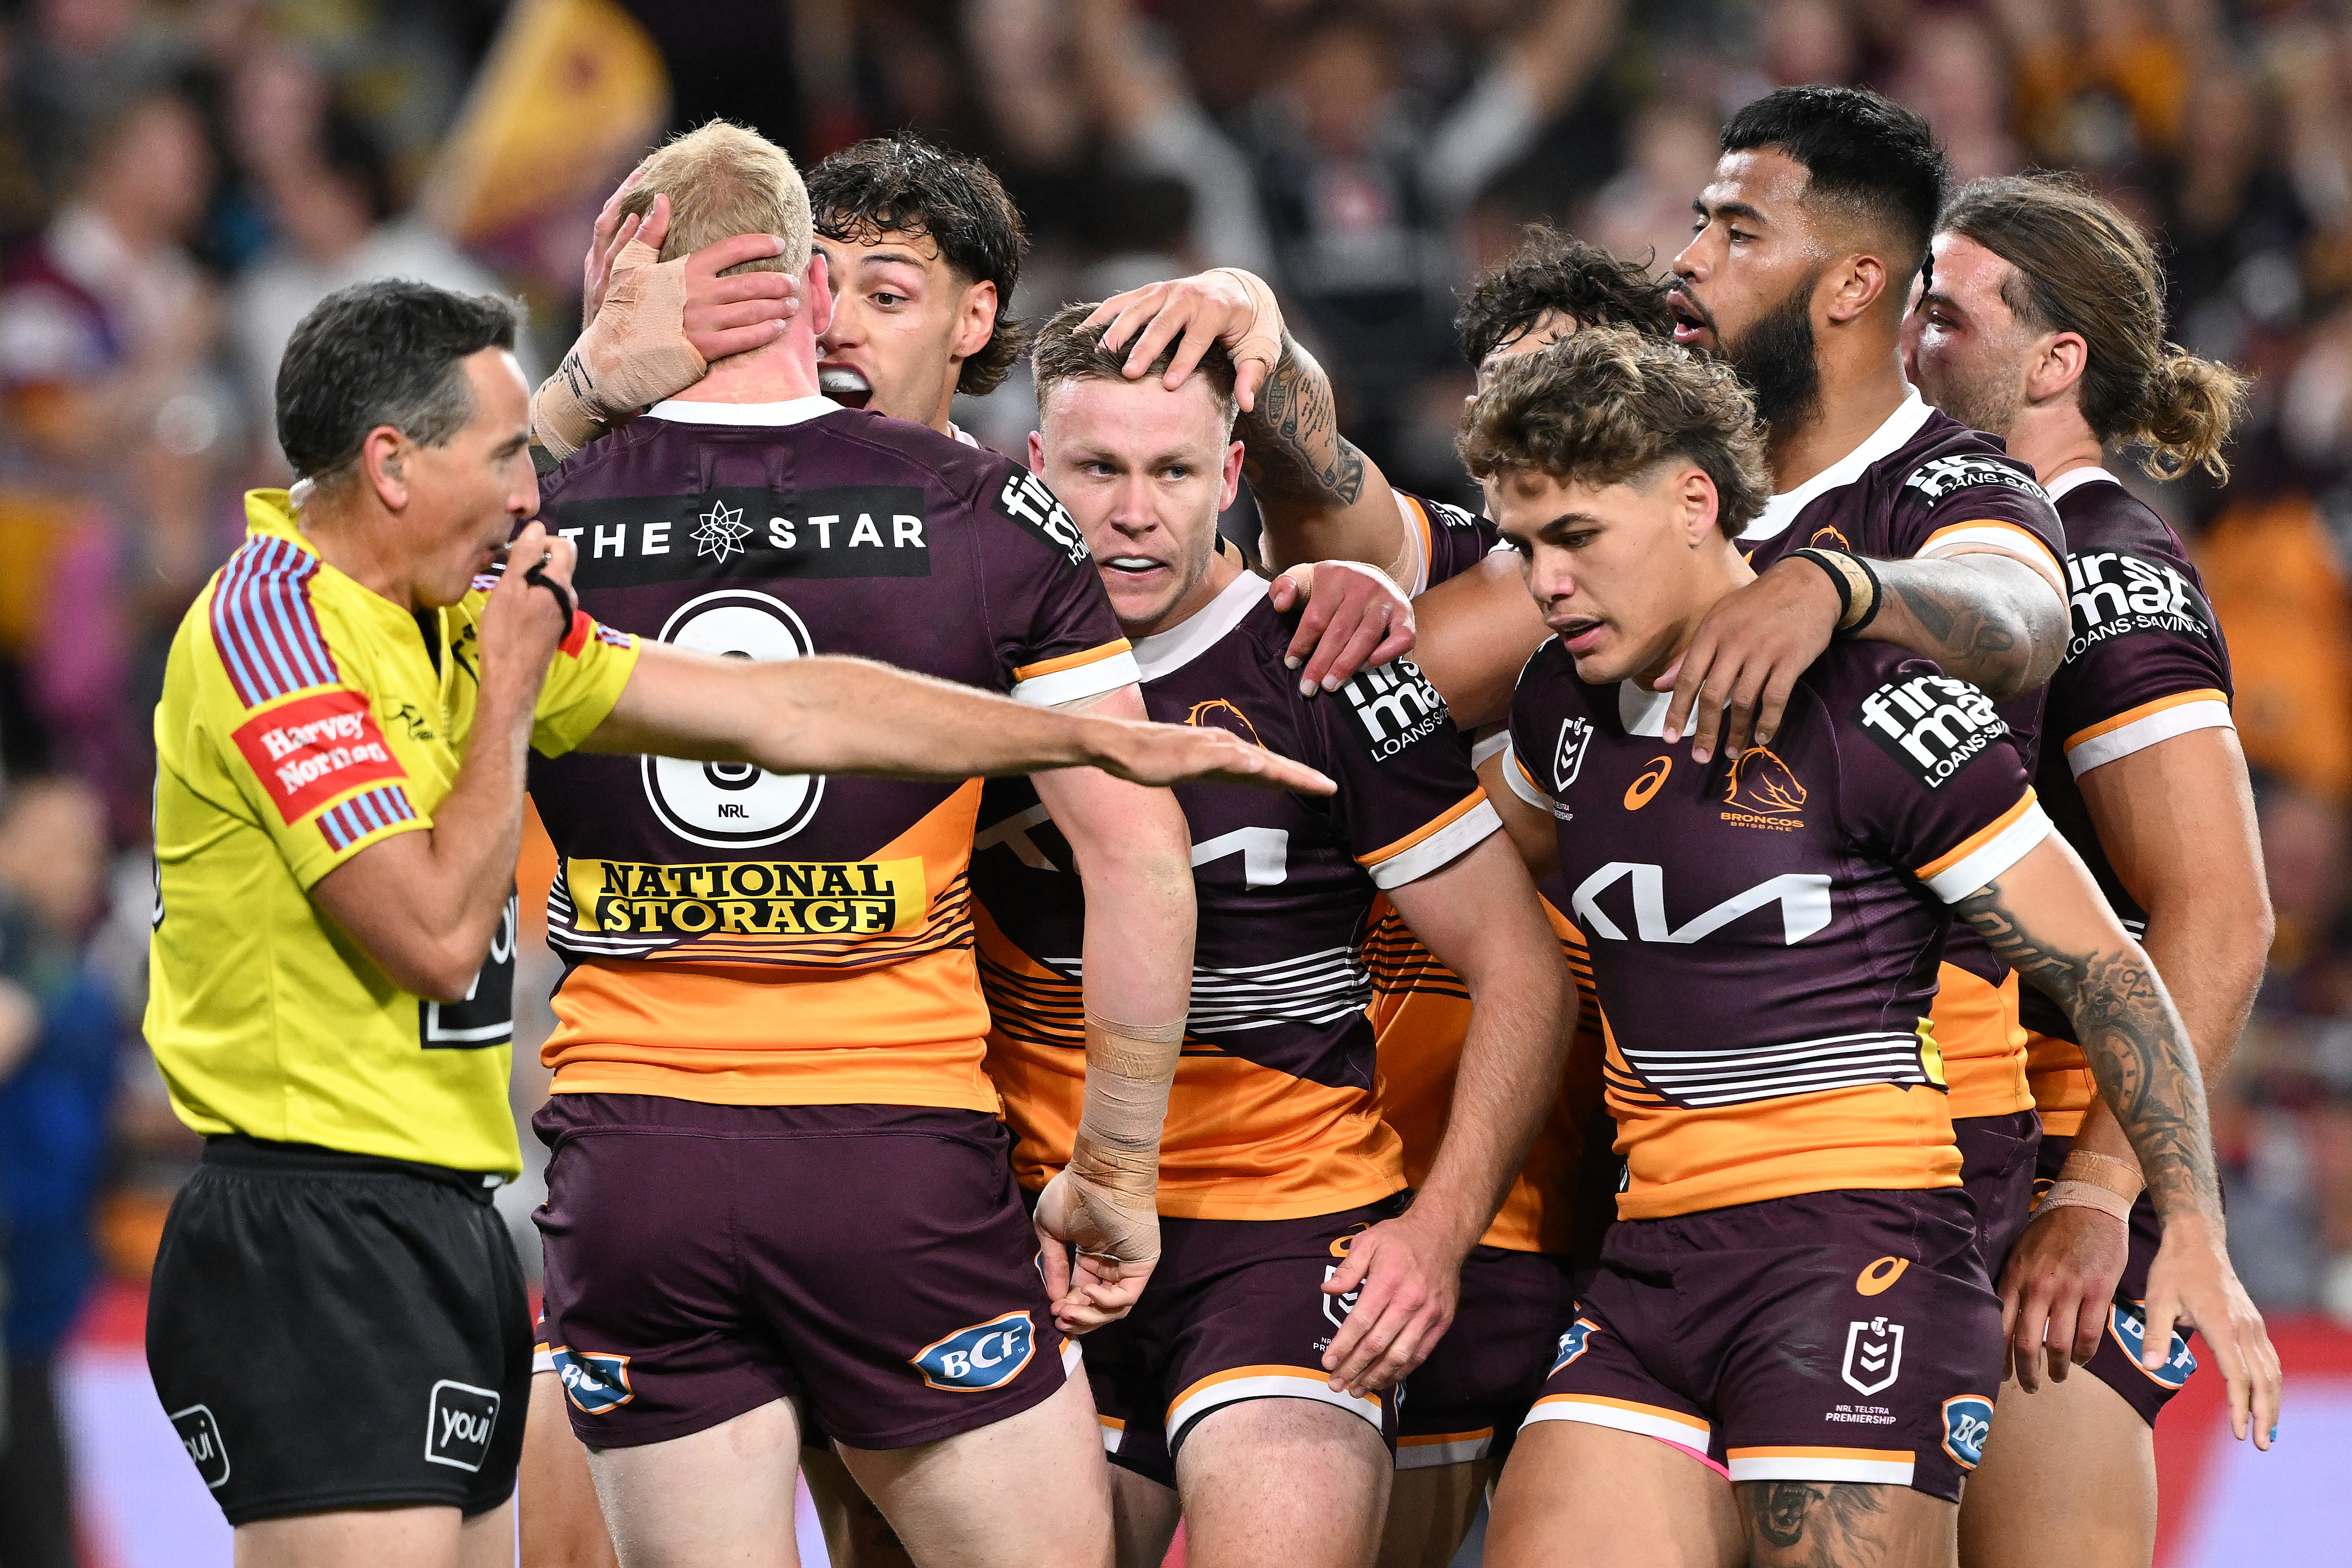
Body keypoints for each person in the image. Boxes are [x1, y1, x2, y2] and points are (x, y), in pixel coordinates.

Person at [141, 273, 1323, 1568]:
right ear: (393, 466)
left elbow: (800, 711)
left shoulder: (448, 622)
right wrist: (519, 679)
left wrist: (1094, 742)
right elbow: (428, 936)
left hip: (447, 1207)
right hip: (313, 1221)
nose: (537, 490)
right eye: (507, 457)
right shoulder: (283, 625)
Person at [518, 122, 1300, 1568]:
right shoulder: (987, 513)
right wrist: (1115, 1171)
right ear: (810, 288)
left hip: (629, 1159)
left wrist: (567, 400)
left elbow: (309, 611)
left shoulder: (530, 519)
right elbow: (1138, 858)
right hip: (890, 1154)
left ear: (624, 281)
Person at [1470, 327, 2278, 1568]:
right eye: (1524, 547)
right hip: (1650, 1269)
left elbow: (2104, 968)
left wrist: (2193, 1230)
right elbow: (1477, 872)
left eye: (1575, 538)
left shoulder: (1874, 706)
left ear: (1696, 502)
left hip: (1855, 1261)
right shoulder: (1555, 706)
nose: (1546, 581)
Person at [974, 309, 1573, 1568]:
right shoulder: (961, 657)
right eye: (1099, 470)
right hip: (1031, 1238)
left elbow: (1521, 970)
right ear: (1035, 468)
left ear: (1231, 477)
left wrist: (1437, 1231)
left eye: (1174, 471)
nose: (1135, 511)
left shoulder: (1325, 662)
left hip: (1286, 1231)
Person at [1903, 173, 2270, 1568]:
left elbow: (2224, 913)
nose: (1910, 341)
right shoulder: (1959, 540)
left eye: (1946, 316)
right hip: (1926, 1148)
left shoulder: (2104, 568)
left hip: (2042, 1151)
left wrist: (2102, 1192)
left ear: (2058, 361)